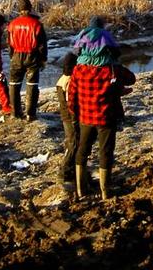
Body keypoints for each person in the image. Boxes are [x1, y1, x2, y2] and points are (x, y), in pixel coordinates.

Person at [69, 61, 135, 199]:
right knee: (105, 152)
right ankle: (105, 190)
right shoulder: (113, 69)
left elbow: (72, 94)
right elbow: (131, 79)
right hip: (106, 118)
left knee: (83, 150)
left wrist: (75, 113)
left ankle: (81, 190)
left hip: (86, 117)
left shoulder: (78, 69)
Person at [7, 0, 48, 122]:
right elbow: (42, 44)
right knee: (32, 85)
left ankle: (15, 112)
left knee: (14, 84)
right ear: (30, 9)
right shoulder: (36, 24)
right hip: (32, 56)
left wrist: (12, 57)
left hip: (16, 55)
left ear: (19, 10)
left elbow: (9, 44)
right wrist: (43, 59)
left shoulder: (12, 24)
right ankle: (30, 114)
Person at [56, 52, 79, 195]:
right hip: (70, 117)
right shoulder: (70, 81)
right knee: (74, 143)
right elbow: (71, 102)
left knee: (72, 142)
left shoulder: (61, 80)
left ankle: (71, 171)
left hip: (65, 116)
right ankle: (64, 172)